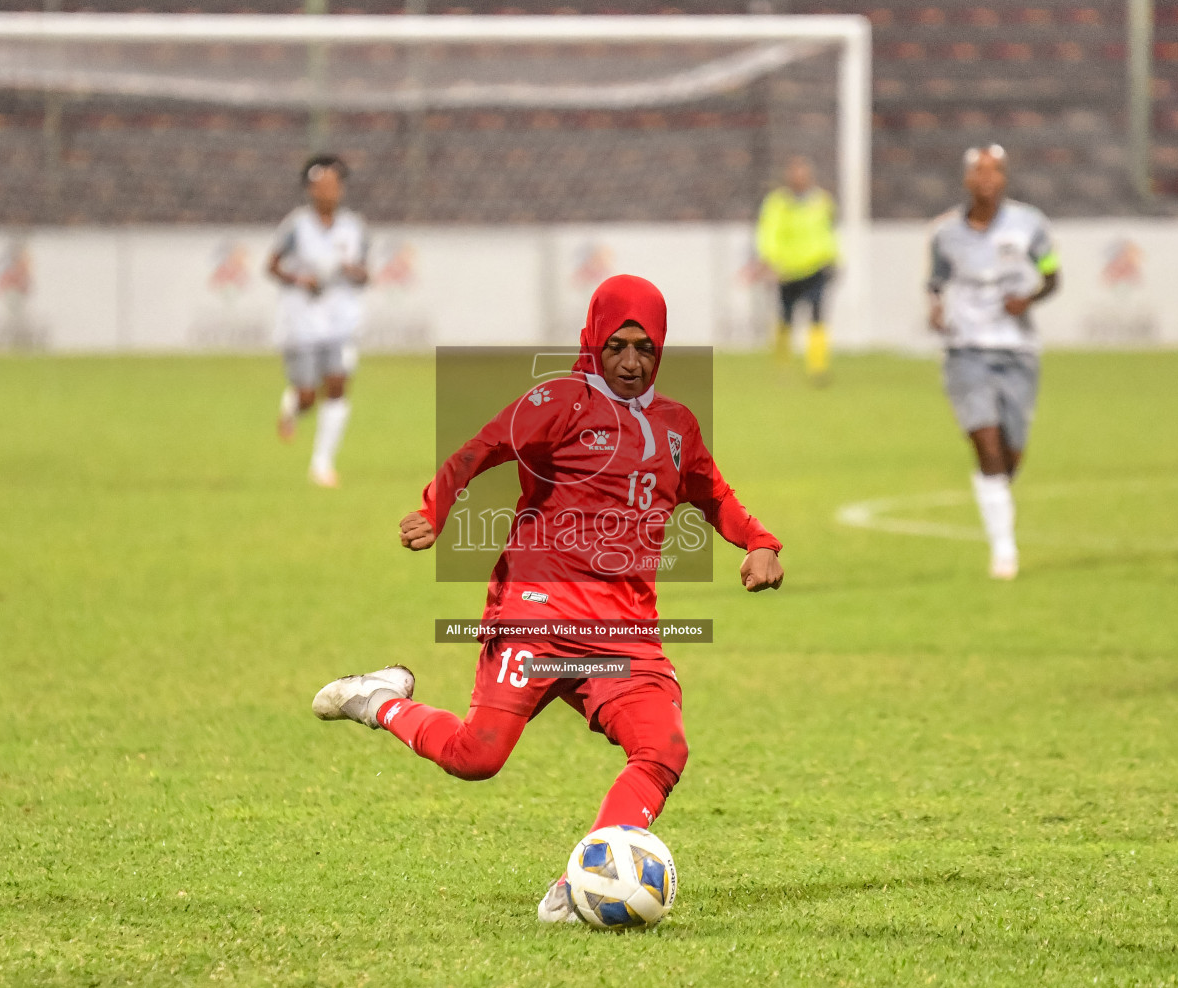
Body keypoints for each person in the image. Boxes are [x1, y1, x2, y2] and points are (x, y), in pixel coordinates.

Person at [309, 274, 785, 923]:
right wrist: (436, 509)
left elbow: (714, 495)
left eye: (644, 347)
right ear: (592, 340)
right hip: (535, 610)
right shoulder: (558, 402)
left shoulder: (677, 427)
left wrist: (758, 542)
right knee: (477, 758)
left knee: (663, 748)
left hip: (623, 630)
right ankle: (380, 701)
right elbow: (479, 450)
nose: (630, 361)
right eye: (617, 344)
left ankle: (579, 881)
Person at [927, 145, 1060, 581]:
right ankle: (1004, 548)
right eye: (979, 171)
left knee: (1010, 454)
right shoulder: (945, 234)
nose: (988, 178)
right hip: (966, 351)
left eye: (996, 171)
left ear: (1005, 179)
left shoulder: (1030, 225)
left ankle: (996, 504)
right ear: (967, 180)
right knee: (985, 443)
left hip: (1017, 351)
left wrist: (1032, 296)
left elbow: (1053, 273)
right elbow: (935, 281)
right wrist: (935, 307)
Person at [267, 154, 369, 487]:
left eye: (333, 184)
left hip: (340, 322)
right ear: (310, 190)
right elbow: (272, 266)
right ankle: (293, 404)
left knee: (338, 387)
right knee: (310, 395)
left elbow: (365, 273)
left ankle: (322, 464)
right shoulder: (296, 226)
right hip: (302, 322)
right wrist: (299, 280)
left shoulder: (354, 228)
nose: (328, 191)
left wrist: (353, 271)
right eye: (321, 185)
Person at [755, 155, 838, 382]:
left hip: (816, 267)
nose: (799, 177)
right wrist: (770, 262)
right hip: (787, 270)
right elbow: (768, 234)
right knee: (785, 318)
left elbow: (828, 232)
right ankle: (782, 366)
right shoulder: (778, 203)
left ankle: (817, 368)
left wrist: (833, 258)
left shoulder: (822, 200)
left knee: (818, 316)